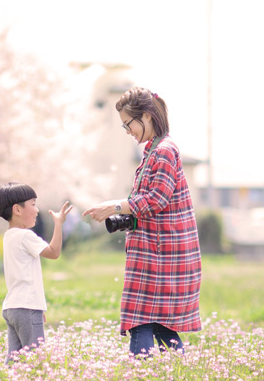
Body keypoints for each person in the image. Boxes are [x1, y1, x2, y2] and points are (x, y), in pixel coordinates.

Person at [82, 87, 202, 357]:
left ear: (146, 116)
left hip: (160, 254)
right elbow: (151, 204)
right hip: (158, 251)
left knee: (140, 320)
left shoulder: (164, 152)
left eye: (128, 124)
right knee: (161, 325)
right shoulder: (154, 151)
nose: (127, 131)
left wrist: (114, 205)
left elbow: (156, 199)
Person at [0, 182, 73, 364]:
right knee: (35, 359)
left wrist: (36, 307)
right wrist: (58, 224)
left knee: (15, 358)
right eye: (33, 204)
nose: (37, 210)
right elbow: (53, 252)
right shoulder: (25, 236)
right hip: (26, 306)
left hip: (13, 307)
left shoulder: (9, 236)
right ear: (17, 210)